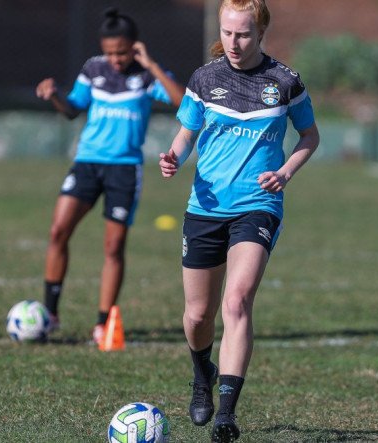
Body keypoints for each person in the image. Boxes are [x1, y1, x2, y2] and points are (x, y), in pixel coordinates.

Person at [158, 0, 320, 440]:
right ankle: (201, 374)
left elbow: (310, 135)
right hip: (205, 208)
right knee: (197, 316)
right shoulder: (205, 78)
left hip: (257, 206)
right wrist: (174, 157)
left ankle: (227, 415)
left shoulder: (284, 82)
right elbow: (186, 133)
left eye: (243, 34)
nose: (233, 42)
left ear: (260, 33)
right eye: (228, 33)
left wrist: (285, 172)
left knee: (238, 301)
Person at [35, 8, 184, 344]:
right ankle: (50, 313)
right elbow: (73, 109)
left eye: (122, 52)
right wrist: (54, 95)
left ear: (135, 47)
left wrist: (153, 65)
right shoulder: (93, 68)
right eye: (110, 52)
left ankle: (103, 323)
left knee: (113, 247)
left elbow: (183, 102)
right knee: (58, 231)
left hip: (124, 170)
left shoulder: (147, 77)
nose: (116, 59)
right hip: (87, 163)